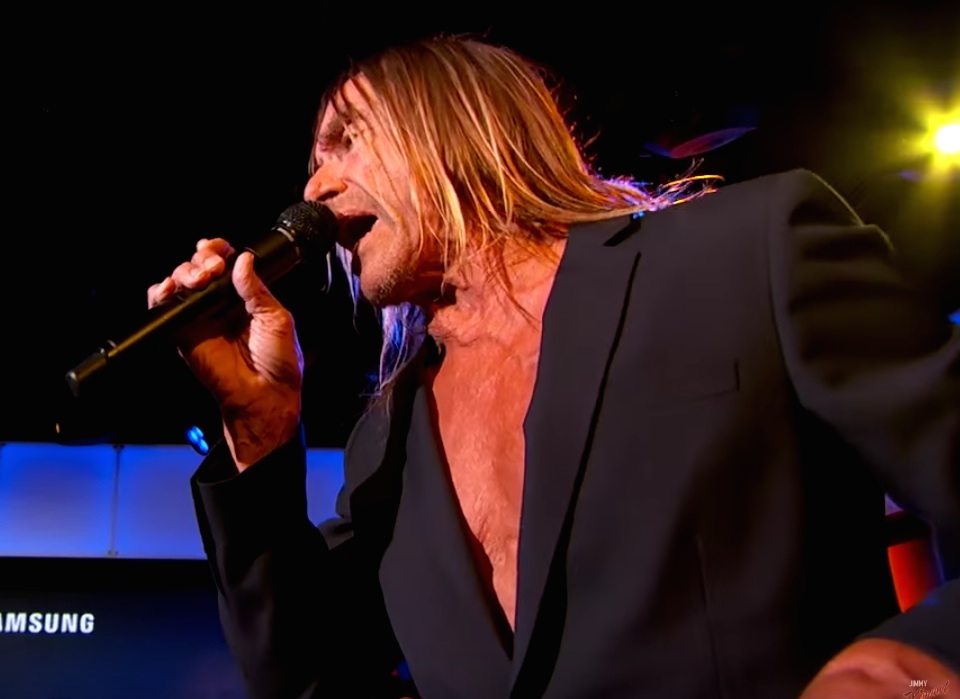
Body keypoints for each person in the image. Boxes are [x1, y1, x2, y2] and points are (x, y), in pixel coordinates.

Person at [148, 36, 960, 698]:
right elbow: (302, 675)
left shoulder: (749, 252)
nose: (314, 185)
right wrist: (259, 428)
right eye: (314, 161)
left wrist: (913, 668)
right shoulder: (386, 443)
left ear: (464, 125)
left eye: (347, 140)